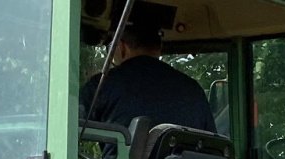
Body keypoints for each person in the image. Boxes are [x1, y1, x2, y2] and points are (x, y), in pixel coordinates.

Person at [79, 2, 214, 136]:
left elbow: (68, 129)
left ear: (121, 47)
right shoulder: (194, 91)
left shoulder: (101, 86)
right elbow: (212, 149)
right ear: (159, 48)